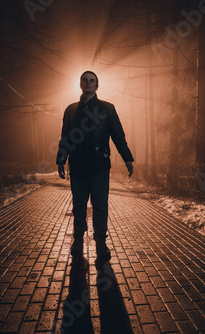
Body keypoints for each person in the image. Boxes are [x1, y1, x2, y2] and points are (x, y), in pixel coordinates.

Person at [56, 71, 134, 264]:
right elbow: (65, 137)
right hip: (78, 167)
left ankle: (101, 244)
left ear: (97, 86)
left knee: (100, 208)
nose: (88, 83)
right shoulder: (71, 110)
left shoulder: (108, 109)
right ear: (80, 84)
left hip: (99, 167)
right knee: (79, 207)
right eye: (85, 80)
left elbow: (118, 135)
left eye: (92, 81)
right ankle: (78, 242)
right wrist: (61, 159)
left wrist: (127, 158)